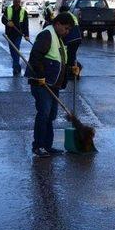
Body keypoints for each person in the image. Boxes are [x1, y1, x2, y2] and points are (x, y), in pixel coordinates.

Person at [26, 13, 79, 157]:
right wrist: (40, 76)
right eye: (66, 28)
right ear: (58, 24)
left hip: (52, 83)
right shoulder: (47, 35)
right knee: (43, 114)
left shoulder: (58, 38)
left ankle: (47, 146)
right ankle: (38, 146)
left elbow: (57, 60)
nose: (67, 32)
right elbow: (35, 57)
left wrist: (70, 69)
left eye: (69, 30)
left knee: (51, 115)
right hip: (41, 83)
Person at [1, 0, 30, 75]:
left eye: (18, 2)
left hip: (18, 34)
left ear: (20, 2)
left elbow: (25, 24)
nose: (17, 3)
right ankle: (17, 66)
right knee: (12, 50)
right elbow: (3, 19)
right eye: (15, 1)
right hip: (10, 33)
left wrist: (26, 35)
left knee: (16, 49)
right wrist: (7, 23)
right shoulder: (8, 9)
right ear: (13, 2)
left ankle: (16, 67)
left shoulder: (23, 12)